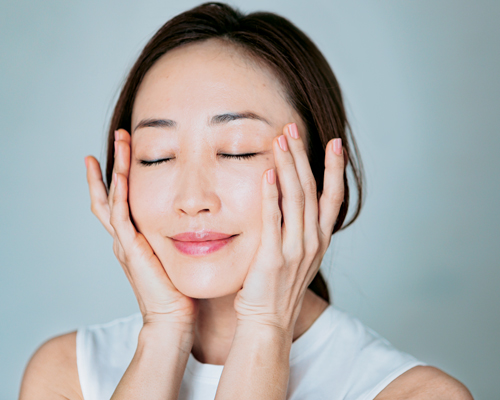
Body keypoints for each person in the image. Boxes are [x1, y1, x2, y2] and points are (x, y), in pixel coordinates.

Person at [19, 2, 473, 399]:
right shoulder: (67, 374)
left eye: (237, 150)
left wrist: (264, 328)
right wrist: (164, 334)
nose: (192, 199)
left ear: (317, 173)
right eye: (157, 157)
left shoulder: (416, 394)